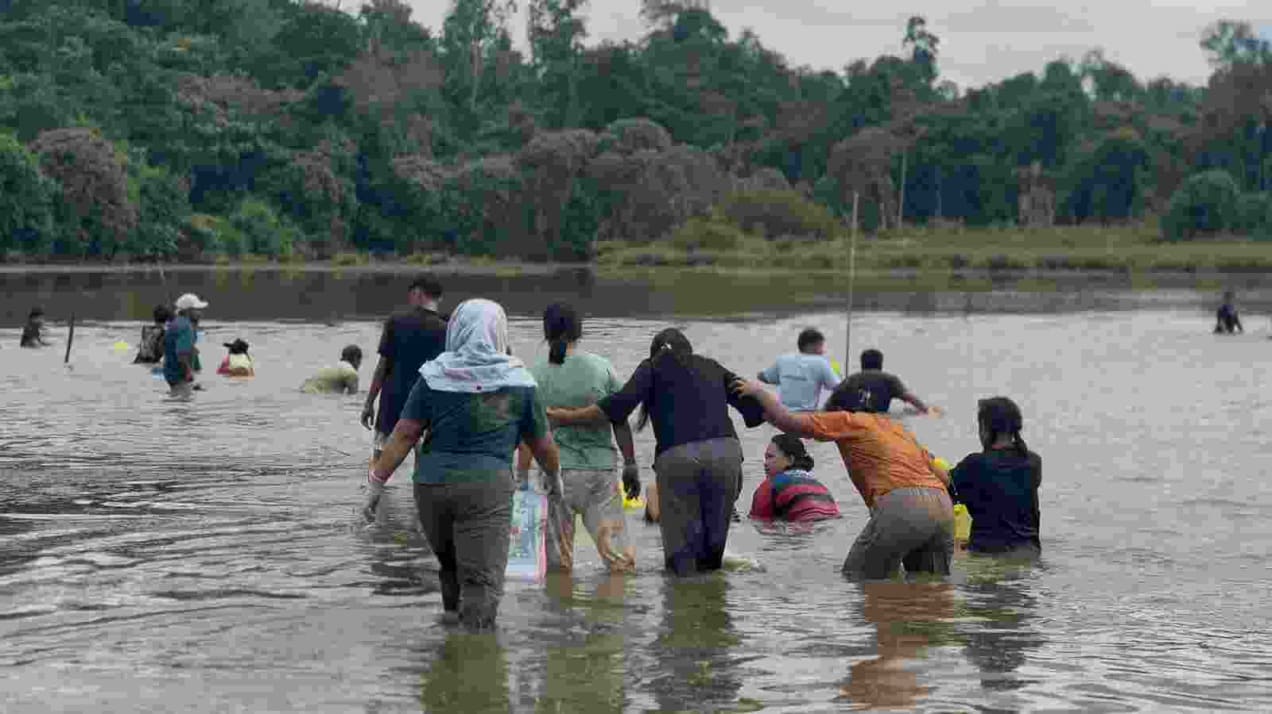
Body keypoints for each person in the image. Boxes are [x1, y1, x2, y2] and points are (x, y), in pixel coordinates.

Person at [365, 298, 560, 631]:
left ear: (455, 331)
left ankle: (449, 645)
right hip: (486, 490)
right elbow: (543, 446)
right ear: (499, 332)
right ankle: (474, 662)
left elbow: (403, 435)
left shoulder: (434, 376)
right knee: (482, 581)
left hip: (430, 490)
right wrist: (556, 482)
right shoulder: (520, 382)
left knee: (451, 567)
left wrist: (375, 487)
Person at [547, 328, 766, 576]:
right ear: (688, 350)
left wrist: (566, 417)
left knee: (680, 564)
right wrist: (785, 415)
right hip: (726, 454)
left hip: (679, 458)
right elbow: (755, 409)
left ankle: (683, 604)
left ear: (656, 352)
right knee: (712, 557)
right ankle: (711, 608)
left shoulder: (651, 367)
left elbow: (618, 406)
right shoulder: (711, 366)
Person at [732, 377, 954, 580]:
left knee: (859, 579)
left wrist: (758, 392)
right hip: (942, 506)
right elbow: (943, 477)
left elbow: (788, 422)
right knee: (931, 587)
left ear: (839, 407)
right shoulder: (897, 429)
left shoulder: (848, 420)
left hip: (902, 505)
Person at [515, 303, 640, 574]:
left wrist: (521, 480)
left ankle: (561, 613)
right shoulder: (601, 368)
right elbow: (619, 418)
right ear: (579, 331)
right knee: (620, 563)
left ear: (546, 333)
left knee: (559, 567)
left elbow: (529, 436)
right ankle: (615, 613)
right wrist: (630, 462)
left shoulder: (534, 376)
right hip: (601, 475)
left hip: (557, 476)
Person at [361, 276, 448, 465]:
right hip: (427, 408)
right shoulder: (446, 330)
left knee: (378, 463)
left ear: (417, 293)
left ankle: (374, 494)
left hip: (391, 404)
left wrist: (369, 403)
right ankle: (416, 496)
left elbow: (382, 366)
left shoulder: (396, 321)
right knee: (423, 465)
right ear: (439, 299)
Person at [948, 397, 1042, 556]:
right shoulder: (1033, 462)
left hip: (987, 553)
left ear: (985, 428)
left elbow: (944, 494)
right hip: (1029, 551)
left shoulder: (974, 464)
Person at [749, 434, 841, 523]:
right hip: (832, 524)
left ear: (790, 460)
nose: (765, 463)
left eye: (770, 457)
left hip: (802, 527)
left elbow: (758, 521)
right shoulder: (820, 486)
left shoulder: (771, 484)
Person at [826, 349, 939, 416]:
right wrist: (928, 411)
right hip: (880, 420)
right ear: (881, 363)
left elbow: (828, 406)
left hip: (853, 420)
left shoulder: (850, 380)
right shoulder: (889, 379)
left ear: (862, 364)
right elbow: (910, 398)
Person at [756, 328, 842, 413]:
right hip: (806, 416)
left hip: (783, 415)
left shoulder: (783, 360)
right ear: (810, 346)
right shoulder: (820, 362)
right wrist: (836, 370)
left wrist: (785, 379)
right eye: (820, 346)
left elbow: (763, 377)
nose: (823, 351)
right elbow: (838, 387)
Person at [163, 293, 208, 396]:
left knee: (177, 398)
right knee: (184, 404)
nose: (200, 312)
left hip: (170, 373)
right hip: (179, 375)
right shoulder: (185, 327)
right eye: (197, 309)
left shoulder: (177, 323)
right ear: (188, 311)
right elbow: (182, 355)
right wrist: (188, 373)